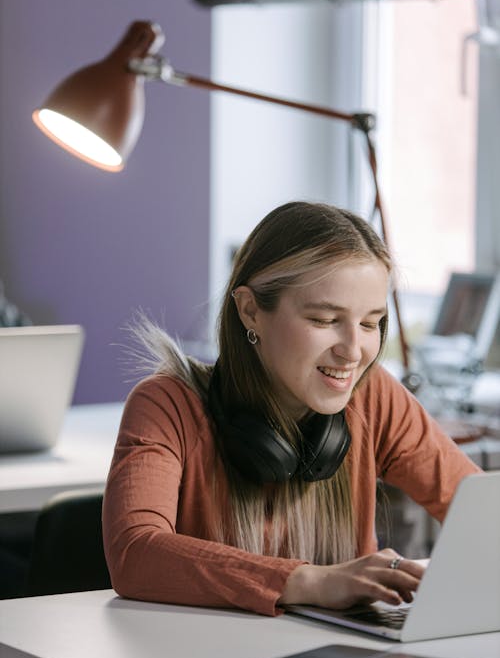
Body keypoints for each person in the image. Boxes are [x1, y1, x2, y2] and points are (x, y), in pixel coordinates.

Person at [102, 201, 480, 616]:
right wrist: (313, 581)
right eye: (323, 319)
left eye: (371, 323)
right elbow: (135, 555)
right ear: (250, 311)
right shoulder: (167, 405)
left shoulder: (373, 397)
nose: (353, 351)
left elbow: (481, 510)